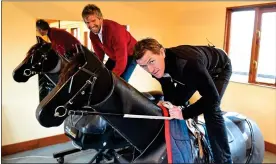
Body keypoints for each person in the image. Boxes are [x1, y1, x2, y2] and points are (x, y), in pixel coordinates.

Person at [133, 38, 232, 163]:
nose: (150, 69)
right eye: (143, 66)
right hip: (193, 72)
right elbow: (167, 86)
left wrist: (184, 113)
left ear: (162, 52)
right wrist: (169, 104)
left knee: (211, 110)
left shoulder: (188, 64)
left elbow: (212, 98)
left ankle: (225, 160)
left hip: (219, 69)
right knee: (176, 102)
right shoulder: (157, 67)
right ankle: (188, 137)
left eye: (151, 61)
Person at [82, 4, 137, 82]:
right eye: (87, 22)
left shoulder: (115, 32)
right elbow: (99, 55)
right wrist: (94, 71)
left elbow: (121, 61)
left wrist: (112, 79)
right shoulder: (92, 34)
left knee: (120, 81)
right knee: (103, 75)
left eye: (93, 21)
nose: (91, 25)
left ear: (100, 19)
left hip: (130, 54)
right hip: (114, 56)